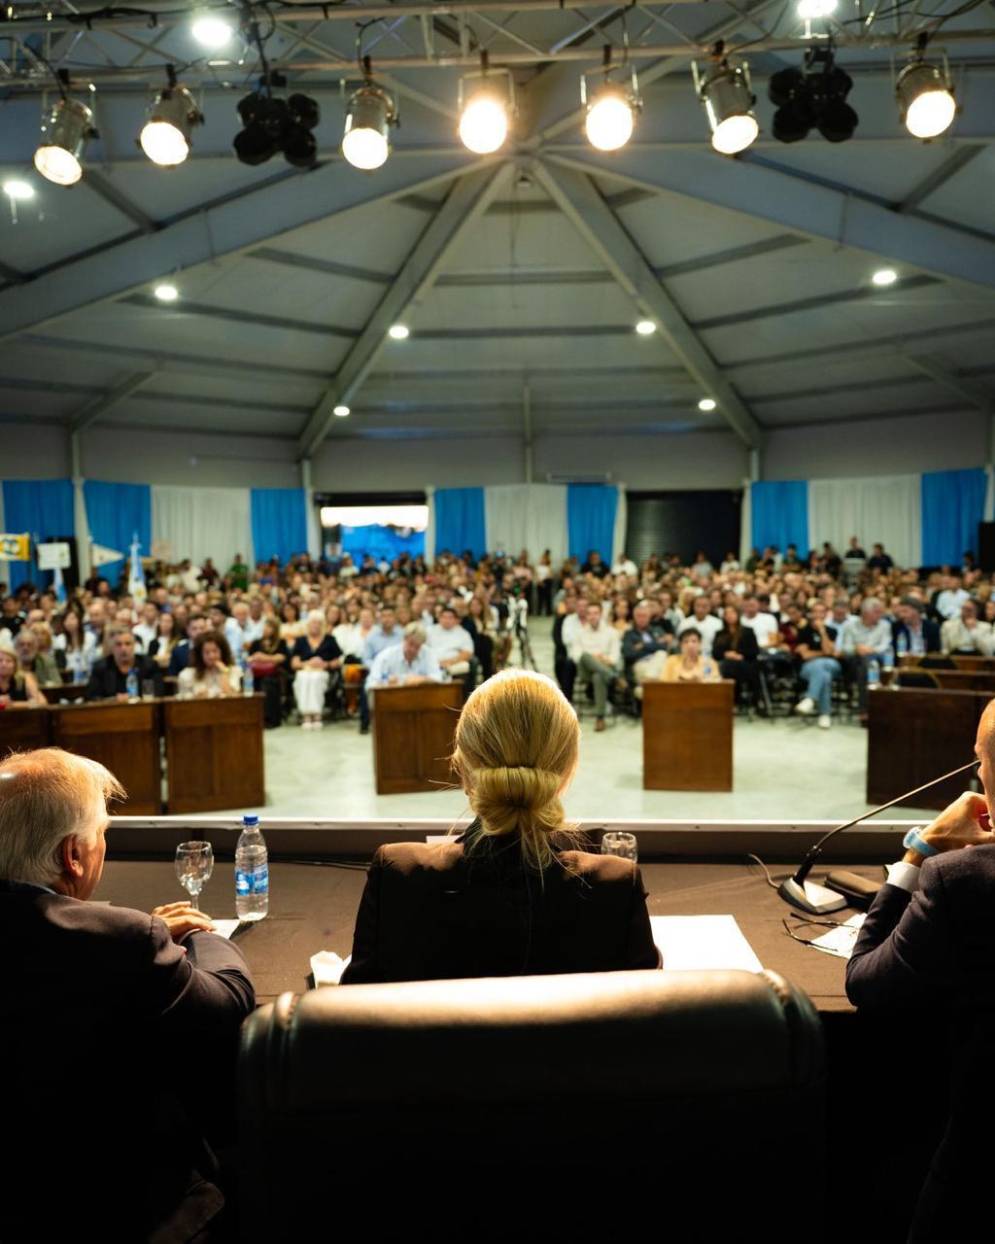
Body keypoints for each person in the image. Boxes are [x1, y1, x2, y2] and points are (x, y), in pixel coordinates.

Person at [0, 747, 255, 1239]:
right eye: (101, 835)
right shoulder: (125, 942)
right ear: (72, 856)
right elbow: (230, 1008)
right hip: (128, 1213)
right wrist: (203, 936)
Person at [341, 669, 659, 984]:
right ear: (564, 773)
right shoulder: (615, 889)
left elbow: (352, 1018)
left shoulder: (398, 876)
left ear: (463, 767)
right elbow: (645, 1021)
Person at [845, 704, 995, 1243]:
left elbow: (865, 982)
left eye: (981, 761)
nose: (977, 774)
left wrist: (920, 852)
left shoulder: (961, 880)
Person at [567, 600, 620, 732]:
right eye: (589, 613)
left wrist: (603, 659)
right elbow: (576, 656)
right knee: (585, 656)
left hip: (604, 667)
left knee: (598, 676)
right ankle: (614, 677)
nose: (592, 616)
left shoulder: (611, 632)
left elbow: (615, 657)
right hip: (585, 669)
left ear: (601, 614)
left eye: (596, 613)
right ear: (586, 616)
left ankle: (600, 718)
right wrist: (593, 657)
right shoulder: (580, 633)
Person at [291, 610, 343, 729]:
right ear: (308, 625)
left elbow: (338, 661)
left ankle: (317, 714)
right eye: (312, 623)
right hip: (305, 670)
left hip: (323, 672)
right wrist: (307, 663)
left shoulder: (330, 639)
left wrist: (326, 664)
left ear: (322, 625)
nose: (315, 625)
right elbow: (294, 663)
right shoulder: (301, 641)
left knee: (315, 679)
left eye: (318, 623)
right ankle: (306, 715)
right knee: (304, 678)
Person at [793, 601, 841, 729]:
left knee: (822, 665)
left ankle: (810, 699)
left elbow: (829, 651)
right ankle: (825, 715)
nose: (818, 614)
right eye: (815, 611)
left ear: (826, 614)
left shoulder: (832, 631)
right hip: (809, 667)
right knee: (824, 675)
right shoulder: (803, 631)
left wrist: (822, 632)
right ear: (811, 614)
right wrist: (823, 654)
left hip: (832, 664)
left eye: (821, 612)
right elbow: (805, 655)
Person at [85, 626, 163, 700]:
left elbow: (159, 692)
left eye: (128, 644)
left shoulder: (149, 665)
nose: (123, 649)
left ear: (134, 645)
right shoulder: (100, 667)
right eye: (118, 644)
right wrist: (114, 699)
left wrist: (134, 698)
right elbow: (92, 697)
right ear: (112, 647)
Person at [712, 604, 762, 710]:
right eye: (727, 613)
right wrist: (726, 654)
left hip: (745, 663)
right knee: (727, 666)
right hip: (726, 665)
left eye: (732, 613)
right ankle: (732, 700)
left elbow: (754, 651)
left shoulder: (748, 631)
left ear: (738, 615)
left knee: (732, 666)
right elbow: (715, 653)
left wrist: (740, 655)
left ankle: (737, 700)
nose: (730, 616)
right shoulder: (720, 634)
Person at [248, 618, 291, 728]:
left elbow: (282, 658)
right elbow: (250, 658)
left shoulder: (281, 643)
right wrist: (260, 658)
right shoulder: (256, 643)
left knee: (268, 683)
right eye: (265, 626)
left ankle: (270, 718)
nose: (266, 629)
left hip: (274, 674)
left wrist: (264, 658)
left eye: (270, 627)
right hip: (256, 674)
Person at [428, 604, 476, 697]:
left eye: (450, 617)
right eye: (444, 617)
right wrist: (436, 662)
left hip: (454, 664)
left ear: (456, 620)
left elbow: (468, 652)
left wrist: (451, 662)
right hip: (432, 663)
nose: (447, 620)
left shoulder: (463, 633)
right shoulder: (430, 631)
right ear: (439, 618)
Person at [178, 630, 242, 699]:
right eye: (207, 652)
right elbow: (183, 700)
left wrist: (224, 671)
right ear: (200, 654)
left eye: (215, 651)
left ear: (223, 651)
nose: (211, 656)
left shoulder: (234, 671)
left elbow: (231, 697)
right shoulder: (188, 674)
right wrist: (196, 697)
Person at [53, 606, 99, 683]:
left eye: (72, 618)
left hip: (88, 676)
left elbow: (93, 661)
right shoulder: (59, 640)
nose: (69, 622)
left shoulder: (90, 637)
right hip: (67, 678)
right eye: (66, 619)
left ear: (79, 620)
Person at [0, 641, 45, 707]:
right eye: (0, 660)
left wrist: (12, 704)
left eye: (8, 661)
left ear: (15, 665)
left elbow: (41, 703)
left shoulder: (26, 678)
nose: (4, 664)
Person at [168, 611, 209, 677]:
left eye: (202, 628)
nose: (199, 632)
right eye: (194, 629)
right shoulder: (178, 651)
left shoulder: (214, 650)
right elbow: (172, 676)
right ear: (188, 630)